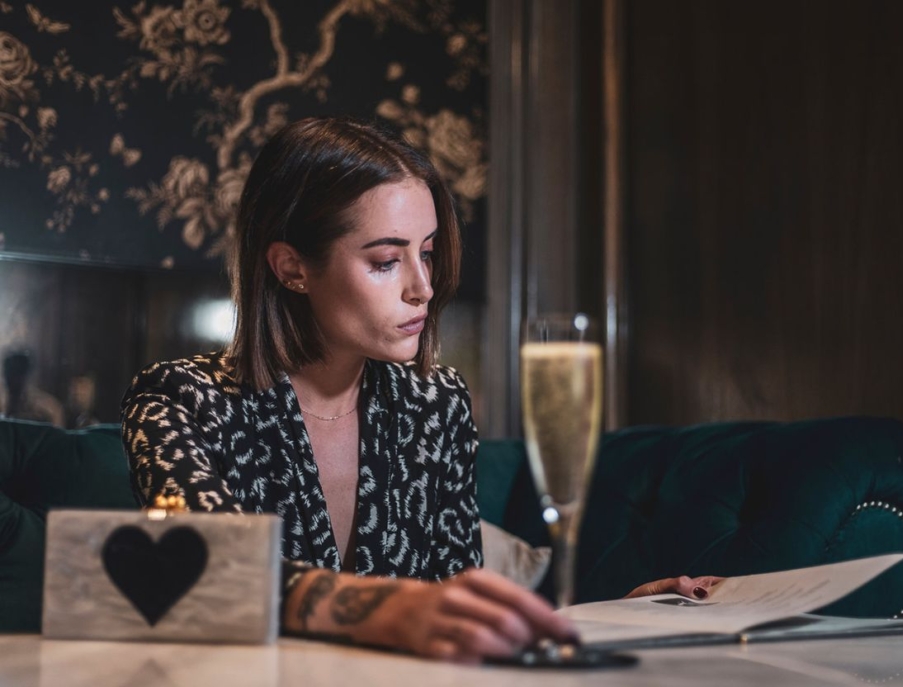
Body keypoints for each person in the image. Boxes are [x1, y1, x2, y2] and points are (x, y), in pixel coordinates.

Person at [121, 116, 718, 662]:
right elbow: (207, 573)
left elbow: (452, 602)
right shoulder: (178, 401)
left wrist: (607, 617)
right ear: (291, 268)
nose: (422, 288)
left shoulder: (436, 402)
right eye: (386, 261)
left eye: (426, 254)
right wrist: (388, 608)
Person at [1, 349, 65, 426]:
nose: (15, 380)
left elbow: (58, 433)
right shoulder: (2, 404)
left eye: (19, 375)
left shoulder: (48, 407)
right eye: (11, 375)